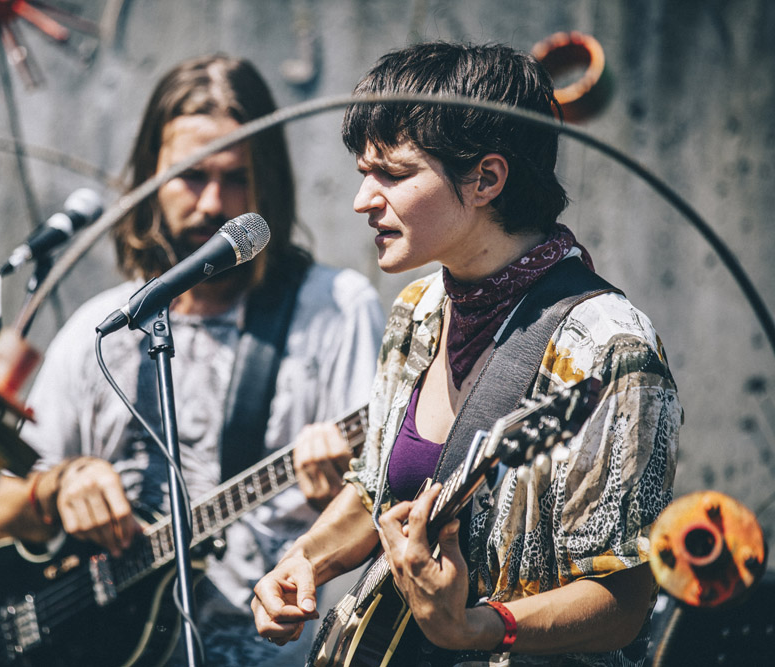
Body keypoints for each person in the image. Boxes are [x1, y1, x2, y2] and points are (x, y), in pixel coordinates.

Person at [252, 42, 682, 666]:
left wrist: (477, 628)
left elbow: (624, 597)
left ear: (486, 179)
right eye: (362, 173)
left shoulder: (609, 350)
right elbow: (375, 490)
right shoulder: (418, 309)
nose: (363, 199)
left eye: (393, 174)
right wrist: (301, 562)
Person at [0, 55, 384, 666]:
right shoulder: (101, 326)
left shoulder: (336, 307)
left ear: (267, 184)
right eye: (191, 176)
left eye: (237, 178)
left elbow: (386, 487)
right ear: (150, 177)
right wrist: (62, 485)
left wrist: (349, 482)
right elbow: (3, 512)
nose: (213, 203)